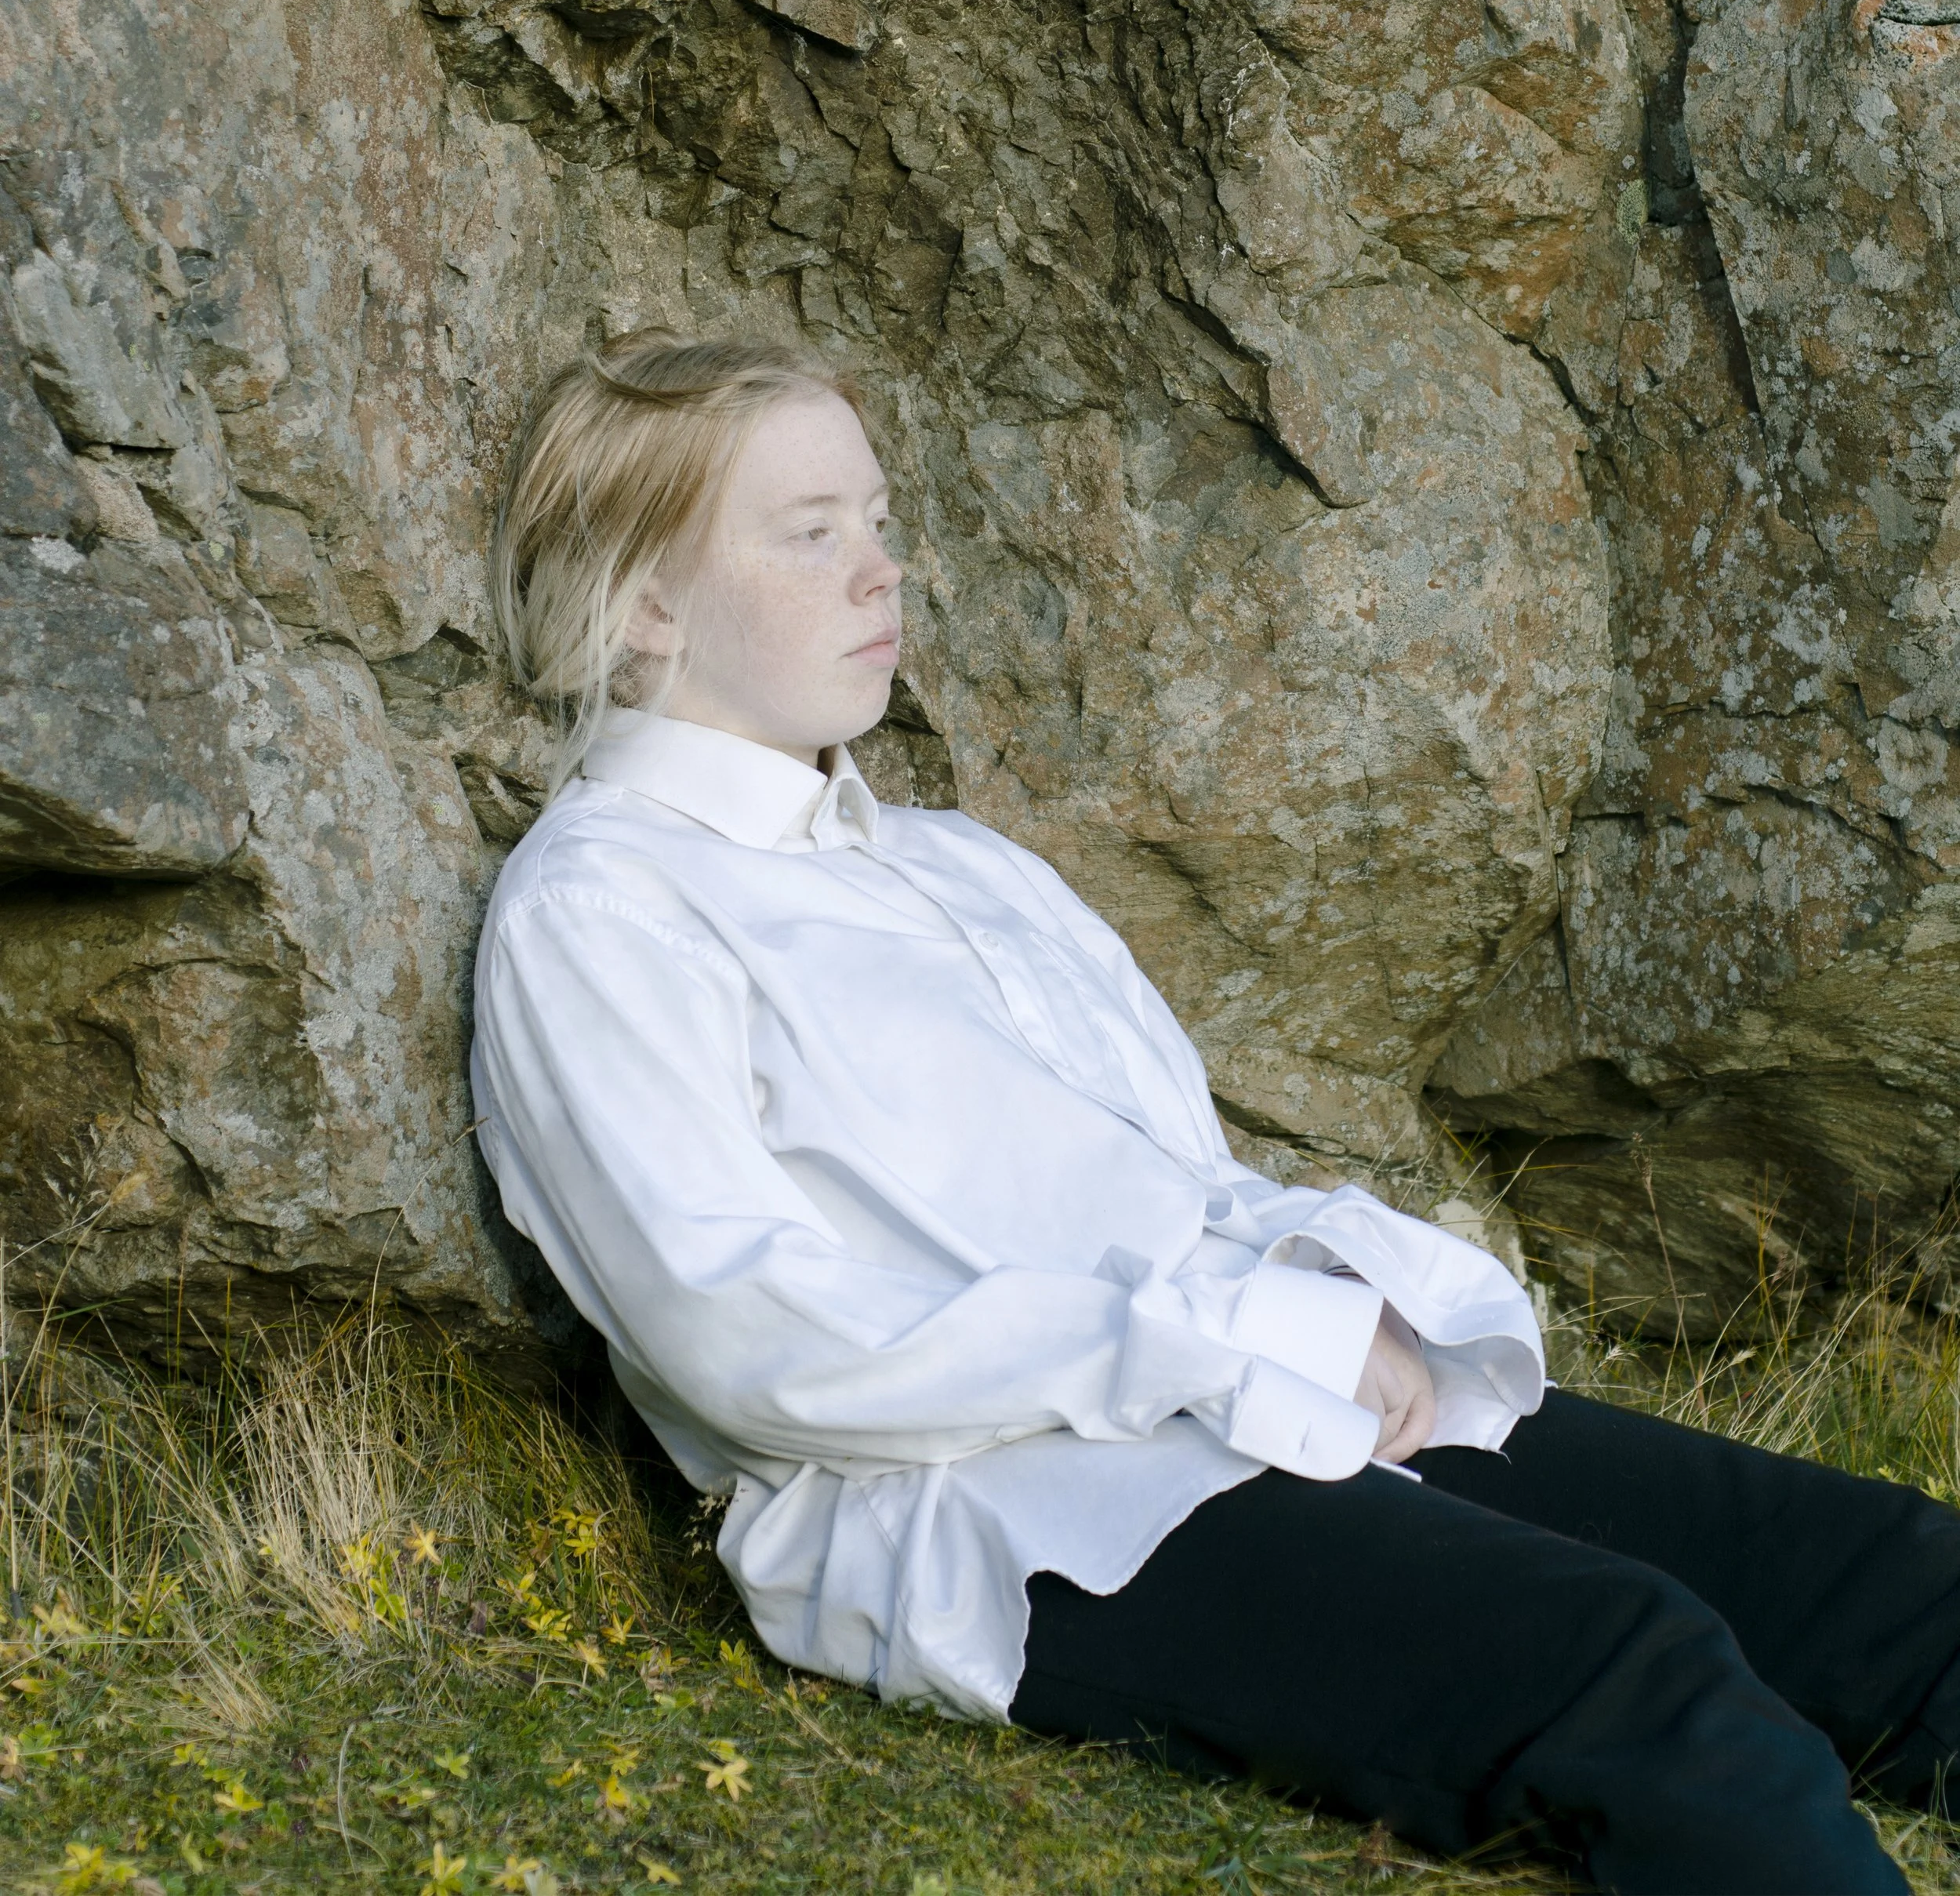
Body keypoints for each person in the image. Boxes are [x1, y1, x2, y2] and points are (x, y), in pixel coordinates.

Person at [471, 331, 1960, 1895]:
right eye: (808, 532)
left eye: (880, 520)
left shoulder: (963, 869)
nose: (877, 572)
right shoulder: (602, 905)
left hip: (1254, 1389)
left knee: (1885, 1583)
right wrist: (1219, 1338)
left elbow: (1180, 1184)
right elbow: (752, 1339)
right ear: (642, 605)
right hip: (1012, 1508)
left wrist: (1323, 1303)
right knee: (1640, 1678)